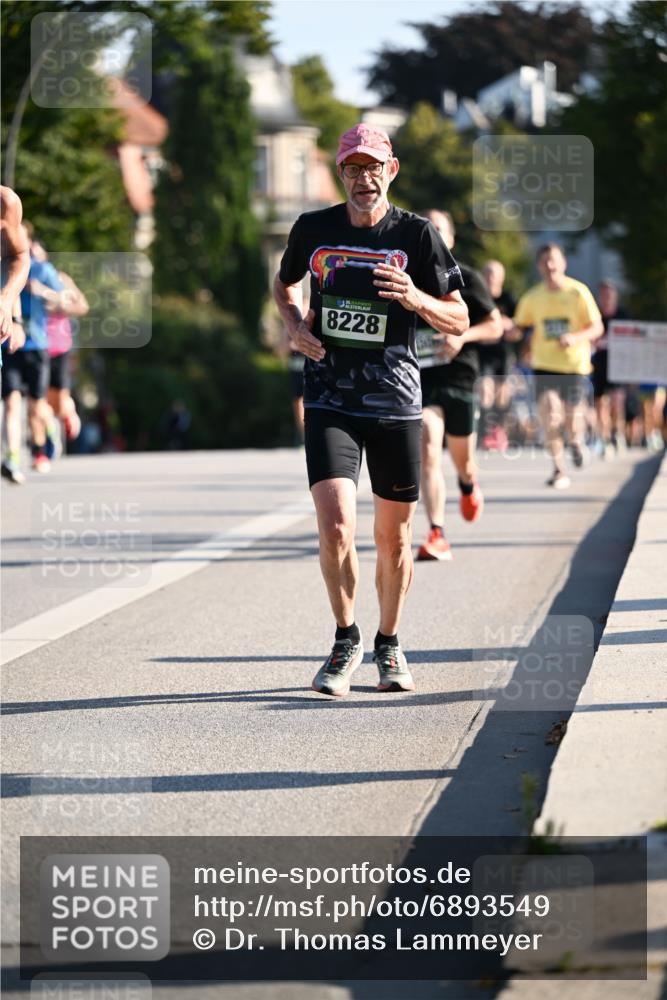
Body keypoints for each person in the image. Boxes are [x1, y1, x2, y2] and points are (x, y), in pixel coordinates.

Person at [273, 123, 467, 697]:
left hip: (395, 400)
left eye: (373, 167)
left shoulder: (419, 235)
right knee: (334, 524)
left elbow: (457, 317)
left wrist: (413, 296)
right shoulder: (313, 229)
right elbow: (283, 285)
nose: (364, 178)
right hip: (330, 396)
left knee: (395, 539)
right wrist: (293, 327)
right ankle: (344, 638)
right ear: (341, 173)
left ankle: (389, 641)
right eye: (353, 168)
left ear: (393, 170)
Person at [415, 211, 502, 561]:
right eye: (426, 230)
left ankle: (468, 485)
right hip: (422, 379)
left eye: (439, 230)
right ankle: (437, 532)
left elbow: (495, 327)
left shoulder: (466, 277)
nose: (432, 235)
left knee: (464, 461)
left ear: (450, 239)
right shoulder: (408, 279)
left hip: (460, 377)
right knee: (427, 446)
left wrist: (462, 337)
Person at [514, 244, 603, 489]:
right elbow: (519, 326)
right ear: (539, 266)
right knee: (549, 413)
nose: (550, 266)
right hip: (543, 364)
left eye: (553, 260)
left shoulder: (578, 292)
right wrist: (506, 328)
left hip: (574, 365)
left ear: (563, 263)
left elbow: (597, 327)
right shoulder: (533, 297)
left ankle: (576, 441)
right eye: (544, 261)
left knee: (572, 419)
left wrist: (575, 338)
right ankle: (558, 469)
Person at [2, 225, 65, 477]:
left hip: (36, 345)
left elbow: (65, 299)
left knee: (36, 406)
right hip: (8, 345)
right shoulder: (4, 267)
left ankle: (45, 437)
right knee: (11, 403)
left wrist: (42, 291)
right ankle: (12, 459)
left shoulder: (41, 269)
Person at [29, 238, 87, 449]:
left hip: (59, 346)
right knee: (37, 401)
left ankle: (68, 413)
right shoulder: (21, 278)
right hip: (34, 345)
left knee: (58, 403)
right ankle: (46, 441)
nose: (32, 258)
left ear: (45, 257)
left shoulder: (60, 278)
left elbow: (82, 307)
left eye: (36, 254)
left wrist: (49, 298)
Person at [478, 259, 519, 452]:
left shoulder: (508, 299)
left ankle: (498, 430)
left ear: (501, 278)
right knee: (486, 392)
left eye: (494, 273)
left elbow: (519, 328)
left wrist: (508, 324)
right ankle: (486, 433)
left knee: (502, 395)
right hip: (482, 354)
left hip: (502, 354)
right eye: (487, 273)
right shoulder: (477, 297)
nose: (490, 277)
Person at [591, 280, 627, 456]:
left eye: (609, 294)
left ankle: (617, 433)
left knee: (616, 403)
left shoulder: (622, 314)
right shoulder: (595, 313)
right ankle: (604, 439)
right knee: (600, 404)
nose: (606, 298)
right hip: (599, 364)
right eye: (603, 294)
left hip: (618, 365)